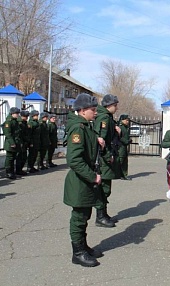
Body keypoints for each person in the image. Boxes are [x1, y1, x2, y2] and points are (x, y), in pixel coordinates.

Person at [63, 93, 104, 267]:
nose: (95, 113)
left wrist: (96, 140)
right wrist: (92, 176)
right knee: (79, 217)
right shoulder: (78, 128)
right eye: (92, 110)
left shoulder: (85, 126)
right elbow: (74, 159)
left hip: (85, 180)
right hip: (80, 181)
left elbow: (86, 145)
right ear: (81, 111)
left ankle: (84, 246)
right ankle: (77, 253)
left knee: (85, 214)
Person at [93, 94, 122, 227]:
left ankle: (103, 213)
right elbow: (102, 141)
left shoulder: (108, 117)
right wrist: (107, 155)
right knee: (103, 188)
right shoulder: (104, 118)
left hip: (106, 156)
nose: (116, 108)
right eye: (115, 105)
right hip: (103, 158)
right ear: (108, 106)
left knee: (106, 187)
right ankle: (100, 217)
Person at [2, 107, 21, 179]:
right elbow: (8, 133)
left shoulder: (14, 121)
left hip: (15, 142)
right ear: (12, 113)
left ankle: (12, 172)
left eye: (18, 113)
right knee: (9, 158)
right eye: (16, 113)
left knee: (13, 158)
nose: (17, 115)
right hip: (10, 143)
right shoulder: (9, 121)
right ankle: (8, 172)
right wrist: (12, 143)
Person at [16, 110, 31, 176]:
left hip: (24, 142)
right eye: (26, 116)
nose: (27, 118)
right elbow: (20, 134)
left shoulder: (24, 123)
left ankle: (20, 169)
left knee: (24, 157)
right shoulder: (20, 123)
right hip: (21, 142)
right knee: (20, 157)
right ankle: (18, 170)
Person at [118, 114, 132, 180]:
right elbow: (119, 137)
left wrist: (129, 140)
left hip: (124, 146)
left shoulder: (126, 127)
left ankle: (124, 174)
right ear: (122, 120)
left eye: (128, 120)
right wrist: (126, 141)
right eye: (126, 120)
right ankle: (119, 174)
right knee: (120, 159)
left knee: (124, 161)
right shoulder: (120, 127)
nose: (127, 122)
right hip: (120, 146)